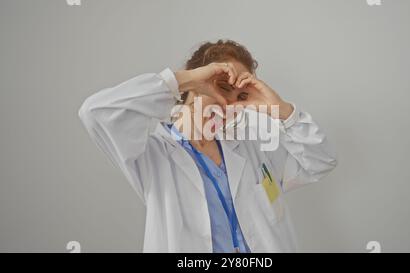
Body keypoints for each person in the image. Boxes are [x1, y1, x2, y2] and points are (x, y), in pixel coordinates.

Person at [78, 39, 337, 252]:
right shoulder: (153, 153)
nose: (229, 105)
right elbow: (96, 112)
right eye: (223, 88)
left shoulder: (252, 145)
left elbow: (320, 162)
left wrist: (282, 110)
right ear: (196, 83)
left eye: (241, 97)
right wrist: (185, 79)